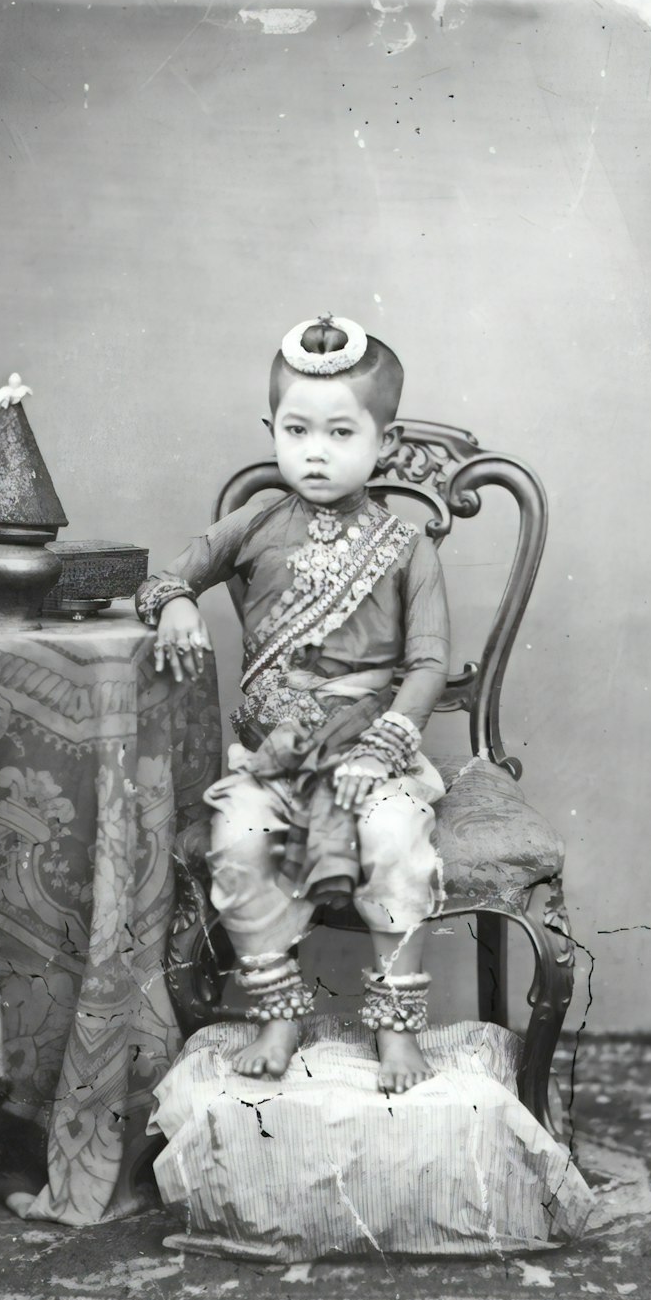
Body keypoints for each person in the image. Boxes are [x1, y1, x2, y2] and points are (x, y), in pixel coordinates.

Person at [135, 314, 450, 1094]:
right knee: (238, 843)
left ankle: (397, 1032)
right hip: (271, 760)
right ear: (270, 429)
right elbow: (172, 575)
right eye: (297, 430)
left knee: (396, 841)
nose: (316, 451)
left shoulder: (409, 547)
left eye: (341, 432)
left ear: (386, 440)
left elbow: (430, 662)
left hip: (371, 756)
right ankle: (278, 1014)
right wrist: (175, 602)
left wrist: (383, 745)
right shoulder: (257, 521)